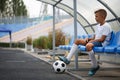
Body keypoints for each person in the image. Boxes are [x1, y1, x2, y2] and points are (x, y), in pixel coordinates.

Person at [58, 9, 112, 76]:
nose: (95, 18)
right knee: (77, 41)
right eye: (95, 16)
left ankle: (95, 66)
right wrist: (89, 39)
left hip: (102, 44)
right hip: (96, 42)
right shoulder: (98, 26)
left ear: (103, 16)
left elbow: (102, 39)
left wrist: (92, 41)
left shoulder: (106, 26)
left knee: (88, 46)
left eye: (97, 16)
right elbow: (95, 38)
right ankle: (68, 59)